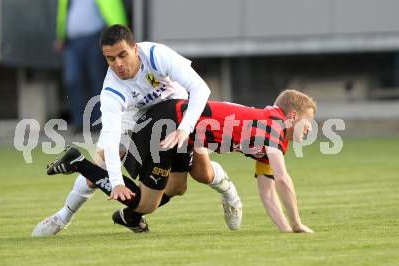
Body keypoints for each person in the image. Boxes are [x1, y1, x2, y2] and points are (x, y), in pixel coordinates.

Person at [31, 25, 242, 236]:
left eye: (122, 55)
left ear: (135, 48)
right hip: (134, 118)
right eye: (111, 59)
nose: (118, 64)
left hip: (175, 110)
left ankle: (231, 197)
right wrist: (116, 183)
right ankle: (62, 217)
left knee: (197, 176)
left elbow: (200, 88)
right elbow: (112, 139)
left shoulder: (156, 55)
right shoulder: (111, 91)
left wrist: (185, 128)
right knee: (99, 166)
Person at [43, 89, 315, 233]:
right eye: (308, 120)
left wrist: (287, 231)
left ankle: (129, 213)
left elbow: (267, 193)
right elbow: (282, 180)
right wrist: (297, 223)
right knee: (146, 202)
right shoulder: (275, 128)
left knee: (178, 187)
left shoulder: (275, 133)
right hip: (170, 122)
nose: (310, 128)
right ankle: (79, 162)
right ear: (291, 115)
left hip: (185, 131)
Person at [55, 0, 128, 132]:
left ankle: (98, 122)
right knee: (72, 79)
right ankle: (79, 123)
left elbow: (114, 9)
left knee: (96, 80)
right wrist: (60, 36)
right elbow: (63, 14)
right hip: (71, 41)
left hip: (95, 38)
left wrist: (120, 36)